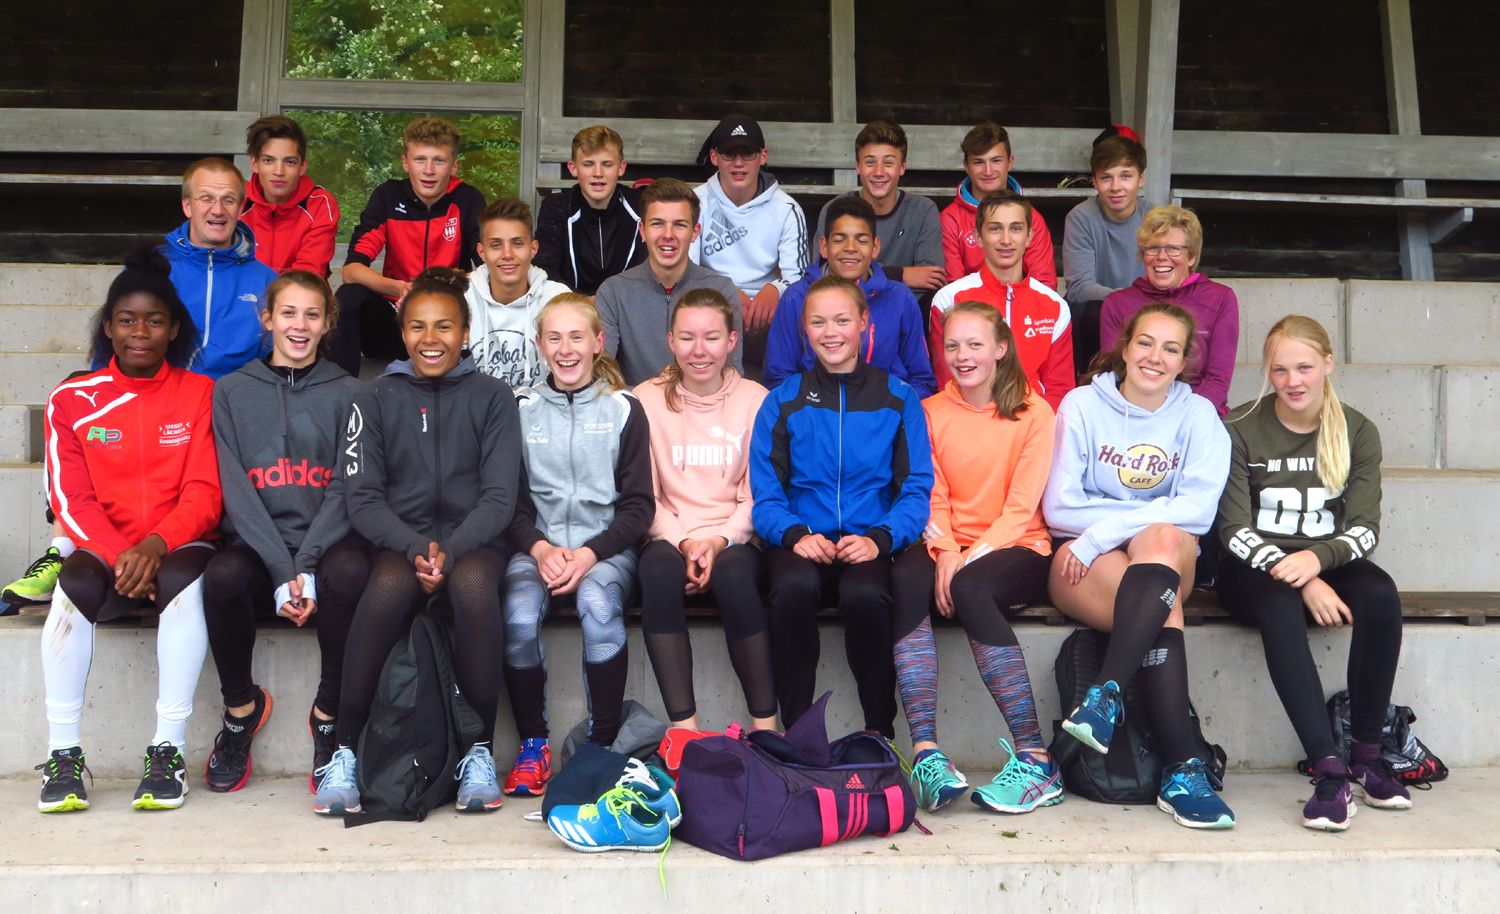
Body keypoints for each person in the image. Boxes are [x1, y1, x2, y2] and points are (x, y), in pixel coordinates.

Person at [4, 158, 276, 608]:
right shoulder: (155, 267)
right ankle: (63, 545)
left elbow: (273, 358)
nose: (218, 208)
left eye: (229, 199)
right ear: (187, 205)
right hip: (157, 391)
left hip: (222, 405)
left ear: (241, 207)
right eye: (206, 198)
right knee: (74, 392)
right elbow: (119, 348)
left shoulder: (264, 280)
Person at [313, 268, 522, 816]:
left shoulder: (494, 396)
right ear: (402, 332)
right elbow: (362, 497)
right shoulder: (374, 397)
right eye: (417, 327)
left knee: (473, 586)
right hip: (398, 541)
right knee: (386, 587)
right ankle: (344, 752)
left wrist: (451, 550)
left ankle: (477, 752)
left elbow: (500, 497)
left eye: (444, 326)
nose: (431, 339)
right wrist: (413, 548)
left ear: (466, 332)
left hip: (475, 541)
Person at [34, 247, 220, 813]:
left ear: (174, 329)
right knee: (72, 585)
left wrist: (156, 545)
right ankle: (62, 756)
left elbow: (205, 491)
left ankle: (167, 752)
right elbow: (70, 498)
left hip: (177, 543)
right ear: (108, 328)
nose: (140, 332)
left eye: (155, 320)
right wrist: (122, 554)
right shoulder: (72, 399)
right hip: (106, 547)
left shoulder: (200, 393)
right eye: (127, 320)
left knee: (185, 578)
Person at [1042, 303, 1235, 830]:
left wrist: (1105, 530)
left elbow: (1198, 512)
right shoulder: (1082, 405)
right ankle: (1184, 768)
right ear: (1125, 348)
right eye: (1145, 343)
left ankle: (1105, 693)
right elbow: (1059, 508)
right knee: (1158, 602)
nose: (1155, 357)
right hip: (1087, 563)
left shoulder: (1199, 416)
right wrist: (1125, 529)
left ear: (1184, 362)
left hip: (1138, 552)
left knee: (1165, 539)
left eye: (1170, 349)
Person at [1216, 315, 1410, 831]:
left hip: (1323, 558)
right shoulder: (1240, 426)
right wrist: (1302, 577)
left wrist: (1316, 563)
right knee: (1279, 603)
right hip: (1252, 567)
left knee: (1381, 594)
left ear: (1328, 364)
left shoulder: (1358, 430)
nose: (1292, 381)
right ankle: (1328, 767)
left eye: (1303, 367)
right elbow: (1232, 529)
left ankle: (1367, 755)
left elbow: (1365, 530)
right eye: (1279, 370)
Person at [200, 271, 368, 794]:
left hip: (329, 543)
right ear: (266, 318)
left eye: (312, 315)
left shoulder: (352, 393)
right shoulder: (230, 391)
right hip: (257, 545)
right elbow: (235, 489)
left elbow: (348, 485)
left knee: (352, 572)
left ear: (328, 323)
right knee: (222, 576)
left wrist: (308, 564)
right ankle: (240, 710)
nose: (300, 325)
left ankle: (329, 715)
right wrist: (281, 570)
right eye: (288, 313)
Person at [890, 302, 1060, 814]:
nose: (962, 356)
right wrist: (945, 550)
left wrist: (963, 560)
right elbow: (932, 494)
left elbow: (1020, 510)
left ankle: (1036, 759)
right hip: (946, 541)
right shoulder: (930, 411)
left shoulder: (1034, 412)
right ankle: (927, 754)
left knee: (970, 587)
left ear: (1001, 348)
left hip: (1017, 545)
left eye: (975, 344)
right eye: (952, 346)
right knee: (904, 577)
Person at [750, 275, 933, 736]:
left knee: (866, 597)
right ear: (803, 329)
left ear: (864, 322)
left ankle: (879, 734)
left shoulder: (899, 397)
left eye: (841, 320)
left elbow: (915, 489)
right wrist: (794, 535)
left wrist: (879, 539)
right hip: (800, 541)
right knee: (791, 589)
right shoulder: (782, 400)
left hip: (869, 541)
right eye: (818, 322)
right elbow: (766, 494)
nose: (830, 332)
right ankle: (798, 734)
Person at [500, 293, 653, 796]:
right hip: (536, 549)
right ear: (539, 344)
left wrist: (589, 554)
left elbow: (638, 507)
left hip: (605, 551)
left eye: (577, 337)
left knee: (598, 603)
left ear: (598, 342)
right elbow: (508, 503)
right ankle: (533, 745)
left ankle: (600, 746)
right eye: (555, 338)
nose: (566, 349)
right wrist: (541, 549)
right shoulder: (519, 409)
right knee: (518, 613)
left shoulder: (623, 409)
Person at [634, 289, 777, 733]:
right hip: (669, 533)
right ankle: (686, 731)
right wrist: (686, 543)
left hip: (735, 535)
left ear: (732, 341)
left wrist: (717, 541)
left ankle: (766, 728)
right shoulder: (644, 399)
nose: (699, 350)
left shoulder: (756, 399)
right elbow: (645, 497)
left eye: (712, 337)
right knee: (657, 572)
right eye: (687, 338)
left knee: (734, 576)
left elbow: (758, 496)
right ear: (670, 341)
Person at [331, 117, 486, 376]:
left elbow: (487, 270)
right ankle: (338, 388)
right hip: (395, 319)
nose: (428, 170)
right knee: (350, 295)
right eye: (419, 159)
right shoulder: (388, 196)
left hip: (449, 321)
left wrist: (440, 288)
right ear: (405, 162)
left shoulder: (467, 199)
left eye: (439, 161)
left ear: (454, 166)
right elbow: (352, 270)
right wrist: (400, 288)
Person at [766, 195, 933, 396]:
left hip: (886, 411)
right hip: (815, 411)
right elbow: (778, 379)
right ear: (824, 246)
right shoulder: (797, 297)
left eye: (861, 240)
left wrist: (891, 410)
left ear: (875, 247)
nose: (850, 248)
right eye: (839, 239)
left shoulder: (900, 298)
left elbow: (921, 380)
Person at [929, 192, 1074, 409]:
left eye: (1016, 229)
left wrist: (1032, 423)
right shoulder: (949, 299)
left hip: (1033, 421)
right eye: (995, 229)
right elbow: (947, 383)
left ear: (1029, 236)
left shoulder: (1055, 305)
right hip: (969, 419)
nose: (1006, 240)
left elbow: (1059, 390)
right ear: (978, 236)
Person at [596, 178, 743, 385]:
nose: (668, 235)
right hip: (635, 402)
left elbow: (732, 374)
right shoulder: (613, 292)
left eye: (679, 225)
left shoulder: (721, 290)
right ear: (642, 230)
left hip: (704, 402)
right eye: (657, 224)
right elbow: (603, 374)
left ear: (695, 232)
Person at [690, 114, 809, 371]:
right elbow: (685, 271)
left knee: (799, 304)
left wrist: (775, 289)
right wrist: (725, 290)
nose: (738, 163)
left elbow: (799, 278)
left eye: (747, 154)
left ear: (763, 156)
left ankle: (782, 385)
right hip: (711, 305)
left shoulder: (787, 209)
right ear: (714, 157)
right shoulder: (695, 203)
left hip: (769, 312)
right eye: (729, 154)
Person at [1099, 205, 1239, 416]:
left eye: (1173, 249)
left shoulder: (1220, 299)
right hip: (1134, 414)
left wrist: (1176, 420)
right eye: (1153, 248)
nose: (1161, 256)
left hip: (1198, 414)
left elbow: (1217, 381)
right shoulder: (1117, 304)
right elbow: (1115, 374)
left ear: (1191, 257)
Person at [811, 120, 945, 296]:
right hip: (843, 305)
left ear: (902, 167)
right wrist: (901, 274)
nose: (879, 172)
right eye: (870, 162)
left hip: (902, 308)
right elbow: (824, 272)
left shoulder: (923, 210)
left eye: (888, 163)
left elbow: (931, 279)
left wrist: (865, 275)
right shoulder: (835, 209)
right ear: (858, 167)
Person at [1063, 134, 1148, 374]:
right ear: (1094, 181)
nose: (1116, 187)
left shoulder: (1154, 218)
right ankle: (1091, 380)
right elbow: (1079, 288)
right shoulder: (1081, 218)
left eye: (1125, 176)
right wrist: (1126, 298)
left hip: (1146, 309)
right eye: (1106, 177)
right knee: (1094, 311)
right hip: (1096, 314)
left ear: (1140, 179)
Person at [464, 197, 571, 390]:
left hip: (544, 406)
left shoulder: (557, 299)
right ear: (481, 252)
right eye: (496, 245)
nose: (507, 254)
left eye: (518, 243)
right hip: (476, 407)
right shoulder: (462, 297)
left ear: (534, 248)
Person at [940, 121, 1056, 290]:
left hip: (1021, 304)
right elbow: (952, 290)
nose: (988, 171)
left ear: (1010, 162)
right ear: (966, 166)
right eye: (978, 162)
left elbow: (1044, 286)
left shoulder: (1032, 217)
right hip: (969, 305)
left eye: (996, 161)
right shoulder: (950, 219)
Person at [533, 124, 645, 296]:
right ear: (573, 168)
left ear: (621, 168)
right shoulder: (556, 207)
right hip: (570, 305)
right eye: (588, 164)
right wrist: (583, 303)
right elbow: (545, 270)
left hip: (627, 303)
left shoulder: (640, 205)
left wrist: (612, 303)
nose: (598, 173)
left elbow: (649, 268)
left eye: (607, 164)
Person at [239, 114, 341, 276]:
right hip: (246, 290)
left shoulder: (319, 203)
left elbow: (308, 273)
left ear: (302, 166)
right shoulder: (236, 200)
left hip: (301, 291)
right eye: (268, 160)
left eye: (289, 162)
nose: (279, 171)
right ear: (254, 163)